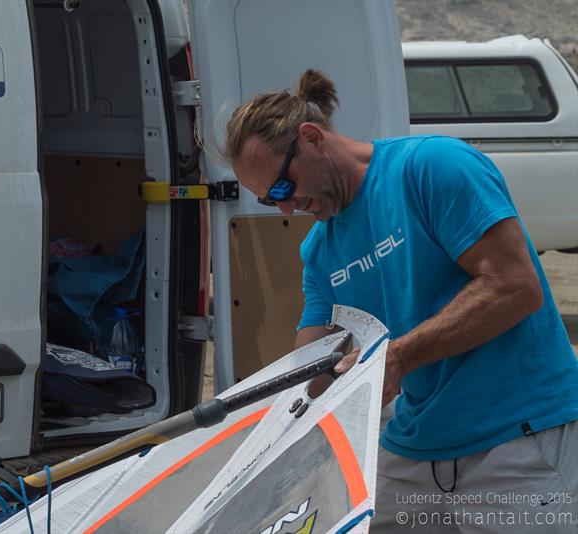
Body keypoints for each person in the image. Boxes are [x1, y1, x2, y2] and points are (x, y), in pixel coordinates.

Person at [222, 69, 578, 533]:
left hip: (519, 435)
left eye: (284, 188)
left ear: (311, 138)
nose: (287, 209)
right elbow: (311, 368)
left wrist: (400, 357)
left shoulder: (431, 167)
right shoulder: (320, 250)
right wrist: (259, 439)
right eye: (271, 202)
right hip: (415, 449)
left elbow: (514, 286)